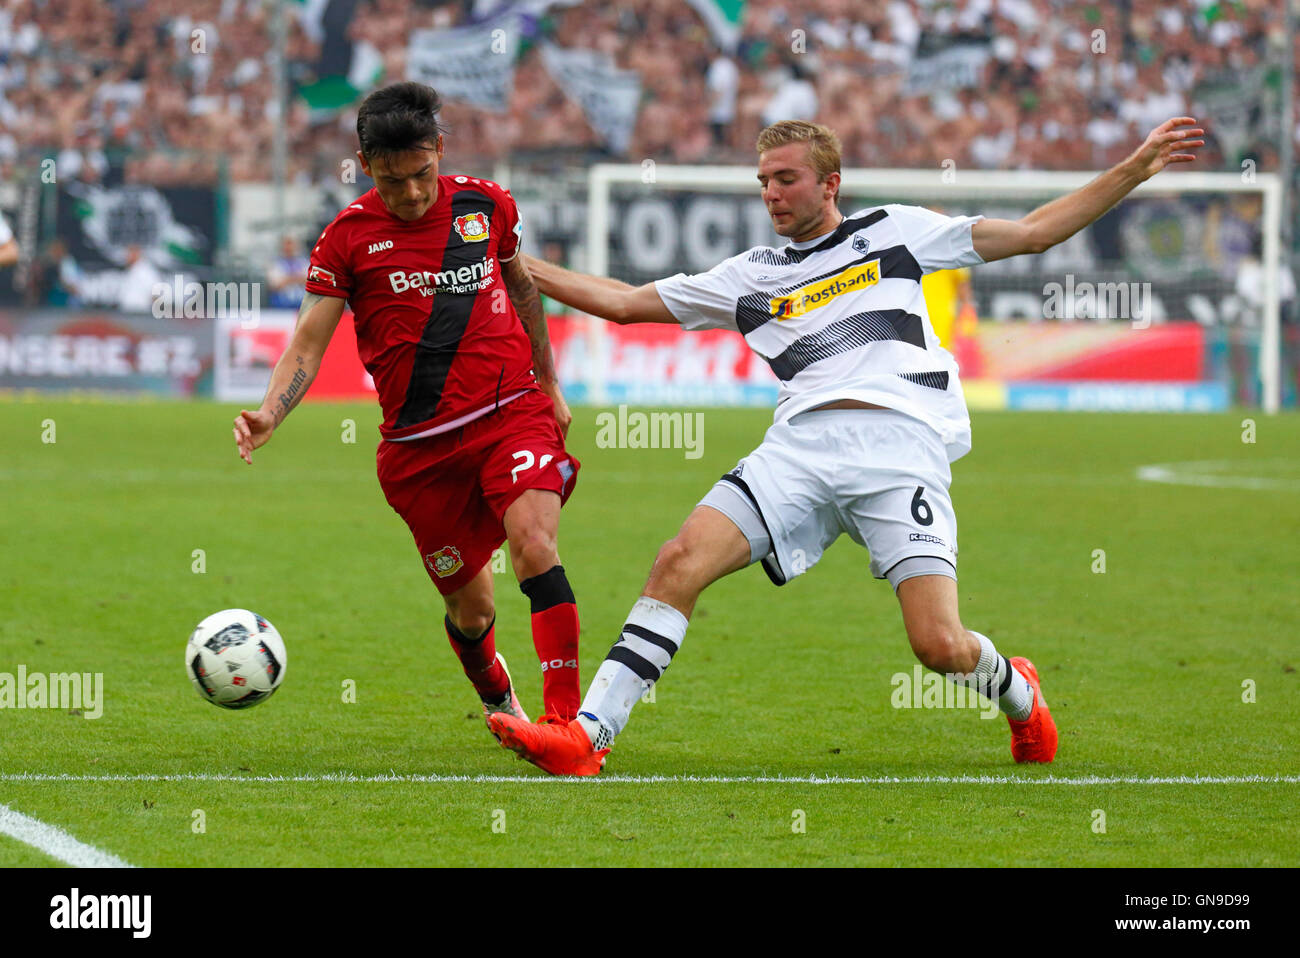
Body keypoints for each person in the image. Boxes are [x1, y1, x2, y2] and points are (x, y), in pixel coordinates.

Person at [489, 115, 1205, 775]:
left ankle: (1018, 691)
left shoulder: (895, 232)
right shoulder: (750, 276)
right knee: (678, 560)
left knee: (938, 645)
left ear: (831, 183)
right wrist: (510, 256)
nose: (771, 193)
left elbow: (1035, 233)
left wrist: (1134, 169)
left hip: (899, 452)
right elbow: (619, 301)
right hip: (797, 450)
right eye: (763, 181)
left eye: (786, 179)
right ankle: (589, 738)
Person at [232, 82, 585, 737]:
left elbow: (524, 289)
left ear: (440, 151)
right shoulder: (346, 239)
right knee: (471, 608)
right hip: (420, 453)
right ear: (366, 165)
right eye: (394, 182)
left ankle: (569, 724)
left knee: (535, 543)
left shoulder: (486, 205)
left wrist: (550, 383)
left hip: (511, 412)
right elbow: (310, 340)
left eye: (423, 174)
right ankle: (495, 691)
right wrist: (269, 414)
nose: (414, 193)